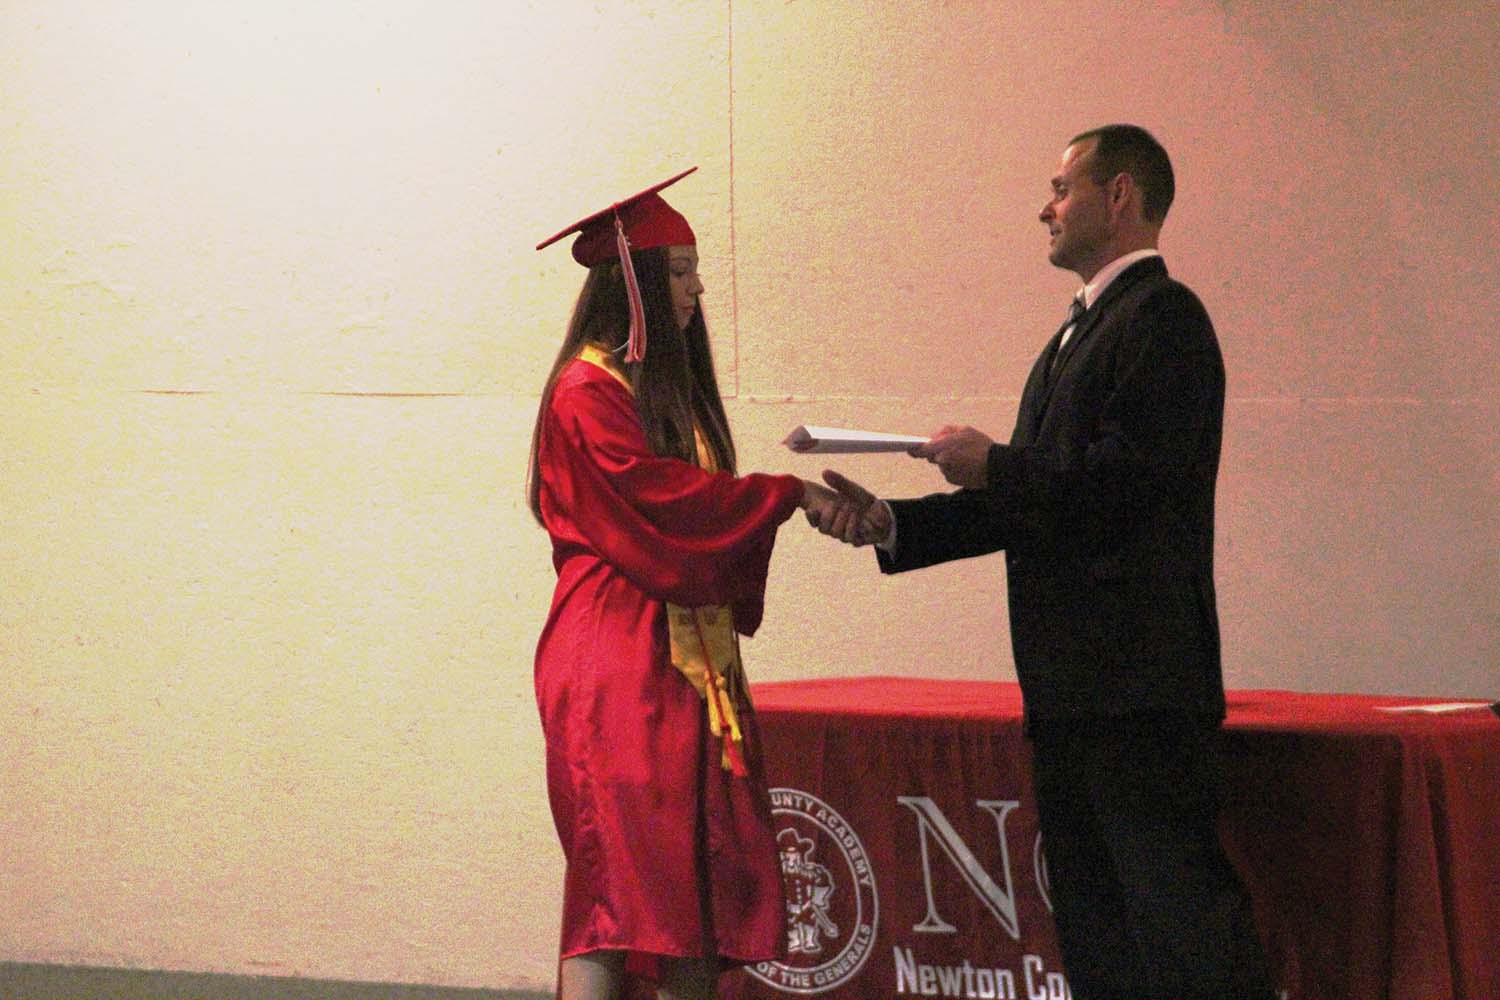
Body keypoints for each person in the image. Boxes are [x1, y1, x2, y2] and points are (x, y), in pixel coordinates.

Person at [809, 126, 1277, 999]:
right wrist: (890, 526)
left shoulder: (1163, 320)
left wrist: (995, 461)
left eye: (1061, 187)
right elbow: (1030, 503)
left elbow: (1126, 487)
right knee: (1100, 935)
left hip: (1138, 691)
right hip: (1074, 691)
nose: (1045, 207)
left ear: (1121, 196)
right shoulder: (1078, 334)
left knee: (1183, 927)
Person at [529, 168, 840, 1000]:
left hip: (687, 670)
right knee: (618, 889)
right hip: (616, 666)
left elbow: (691, 522)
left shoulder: (662, 396)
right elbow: (660, 503)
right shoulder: (585, 393)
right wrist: (784, 494)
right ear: (625, 287)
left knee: (695, 887)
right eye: (679, 271)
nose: (698, 287)